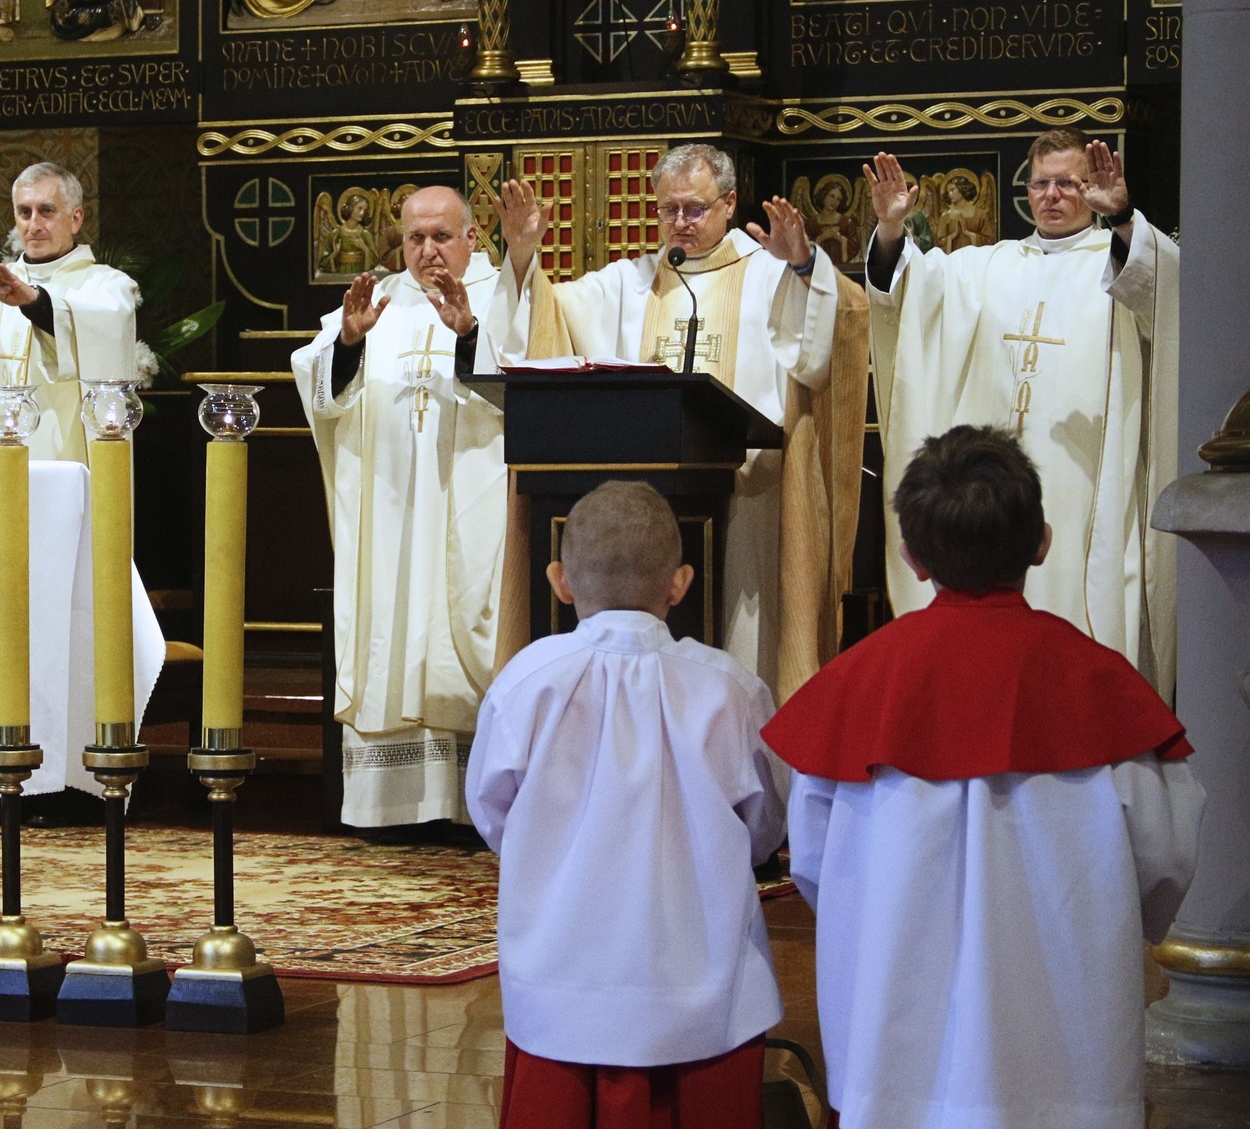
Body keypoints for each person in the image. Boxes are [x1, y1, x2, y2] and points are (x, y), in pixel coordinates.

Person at [765, 426, 1203, 1129]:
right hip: (1067, 1046)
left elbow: (815, 863)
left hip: (897, 1041)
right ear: (1042, 543)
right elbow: (1165, 857)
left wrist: (873, 915)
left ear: (909, 556)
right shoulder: (1099, 686)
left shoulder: (860, 685)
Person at [487, 144, 869, 698]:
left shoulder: (770, 273)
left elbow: (837, 321)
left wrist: (806, 267)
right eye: (668, 210)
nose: (680, 223)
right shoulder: (633, 281)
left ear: (729, 203)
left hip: (750, 494)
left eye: (694, 208)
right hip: (651, 494)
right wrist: (523, 257)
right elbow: (548, 318)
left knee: (745, 637)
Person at [469, 480, 787, 1129]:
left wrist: (546, 847)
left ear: (560, 580)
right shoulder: (729, 688)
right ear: (680, 582)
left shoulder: (527, 680)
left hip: (560, 972)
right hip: (699, 980)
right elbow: (764, 823)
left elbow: (492, 811)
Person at [865, 129, 1177, 692]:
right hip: (992, 490)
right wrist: (890, 229)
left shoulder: (1115, 260)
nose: (1052, 195)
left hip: (1083, 484)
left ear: (1093, 188)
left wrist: (1124, 217)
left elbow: (1166, 294)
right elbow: (908, 296)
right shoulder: (982, 267)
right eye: (1040, 184)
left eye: (1068, 184)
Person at [292, 185, 506, 830]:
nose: (427, 250)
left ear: (472, 237)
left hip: (468, 504)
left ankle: (474, 801)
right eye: (415, 237)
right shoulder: (375, 302)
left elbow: (522, 382)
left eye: (442, 236)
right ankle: (395, 805)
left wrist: (469, 335)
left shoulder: (502, 296)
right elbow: (320, 388)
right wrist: (349, 343)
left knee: (463, 619)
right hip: (389, 512)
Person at [0, 162, 140, 462]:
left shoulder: (107, 286)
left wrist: (36, 304)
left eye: (46, 211)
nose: (34, 225)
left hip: (63, 457)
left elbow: (107, 329)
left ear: (76, 218)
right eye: (24, 212)